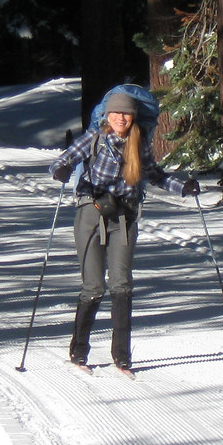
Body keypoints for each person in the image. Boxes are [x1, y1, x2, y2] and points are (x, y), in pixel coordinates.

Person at [49, 90, 200, 370]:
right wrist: (61, 171)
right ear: (107, 115)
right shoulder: (94, 139)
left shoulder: (139, 143)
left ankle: (122, 356)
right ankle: (79, 350)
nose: (121, 117)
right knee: (93, 285)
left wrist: (183, 188)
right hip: (91, 214)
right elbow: (62, 161)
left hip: (125, 216)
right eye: (116, 112)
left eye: (126, 113)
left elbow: (155, 175)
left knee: (122, 284)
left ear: (133, 117)